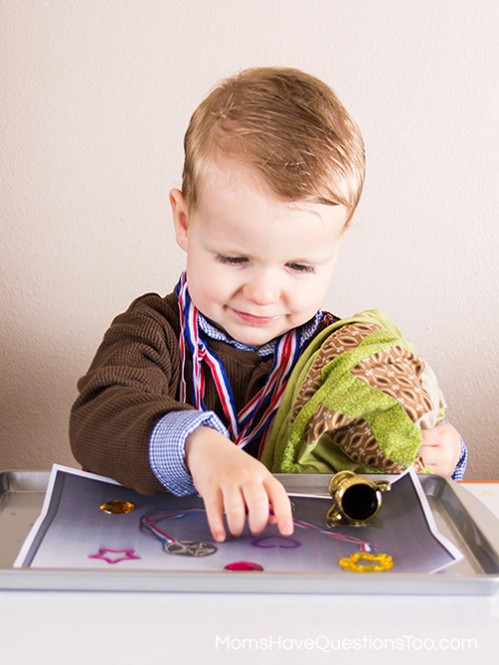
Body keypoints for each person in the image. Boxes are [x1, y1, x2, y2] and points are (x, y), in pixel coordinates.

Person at [70, 67, 466, 544]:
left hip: (306, 570)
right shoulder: (153, 330)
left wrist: (440, 453)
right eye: (235, 258)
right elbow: (98, 416)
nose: (263, 293)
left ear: (335, 248)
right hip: (167, 560)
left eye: (299, 267)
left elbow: (389, 452)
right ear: (184, 222)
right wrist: (199, 446)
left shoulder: (344, 359)